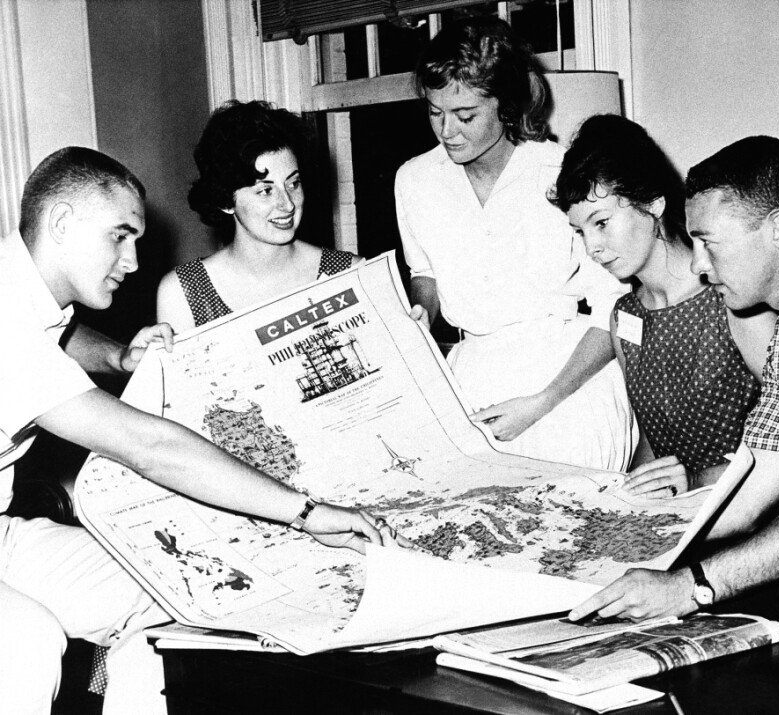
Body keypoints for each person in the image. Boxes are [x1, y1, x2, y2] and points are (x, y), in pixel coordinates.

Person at [0, 146, 399, 714]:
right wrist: (308, 513)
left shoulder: (23, 289)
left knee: (176, 582)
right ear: (62, 222)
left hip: (4, 541)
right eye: (120, 235)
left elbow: (56, 337)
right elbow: (151, 447)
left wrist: (117, 358)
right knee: (27, 643)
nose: (134, 261)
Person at [569, 136, 779, 641]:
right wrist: (621, 547)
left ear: (778, 229)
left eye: (708, 241)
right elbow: (750, 492)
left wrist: (693, 587)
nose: (698, 264)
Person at [395, 17, 636, 471]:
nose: (447, 131)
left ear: (506, 104)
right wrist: (420, 314)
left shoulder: (562, 170)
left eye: (465, 115)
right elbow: (423, 273)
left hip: (569, 373)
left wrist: (544, 401)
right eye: (434, 111)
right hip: (469, 370)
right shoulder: (413, 180)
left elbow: (614, 307)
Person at [550, 115, 776, 497]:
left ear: (653, 203)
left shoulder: (734, 298)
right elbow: (654, 448)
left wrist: (695, 480)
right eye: (580, 232)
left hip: (753, 516)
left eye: (601, 223)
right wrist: (621, 499)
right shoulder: (624, 318)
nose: (591, 248)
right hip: (677, 520)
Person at [157, 100, 362, 331]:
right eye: (265, 191)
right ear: (225, 200)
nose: (287, 204)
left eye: (293, 183)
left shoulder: (349, 272)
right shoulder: (184, 292)